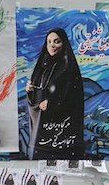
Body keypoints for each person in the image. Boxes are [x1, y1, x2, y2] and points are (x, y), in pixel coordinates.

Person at [26, 27, 84, 159]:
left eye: (57, 41)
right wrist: (30, 91)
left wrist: (52, 102)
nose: (52, 45)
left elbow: (73, 95)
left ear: (64, 44)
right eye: (49, 42)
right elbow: (36, 92)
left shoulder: (69, 67)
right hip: (43, 129)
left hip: (62, 131)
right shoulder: (42, 66)